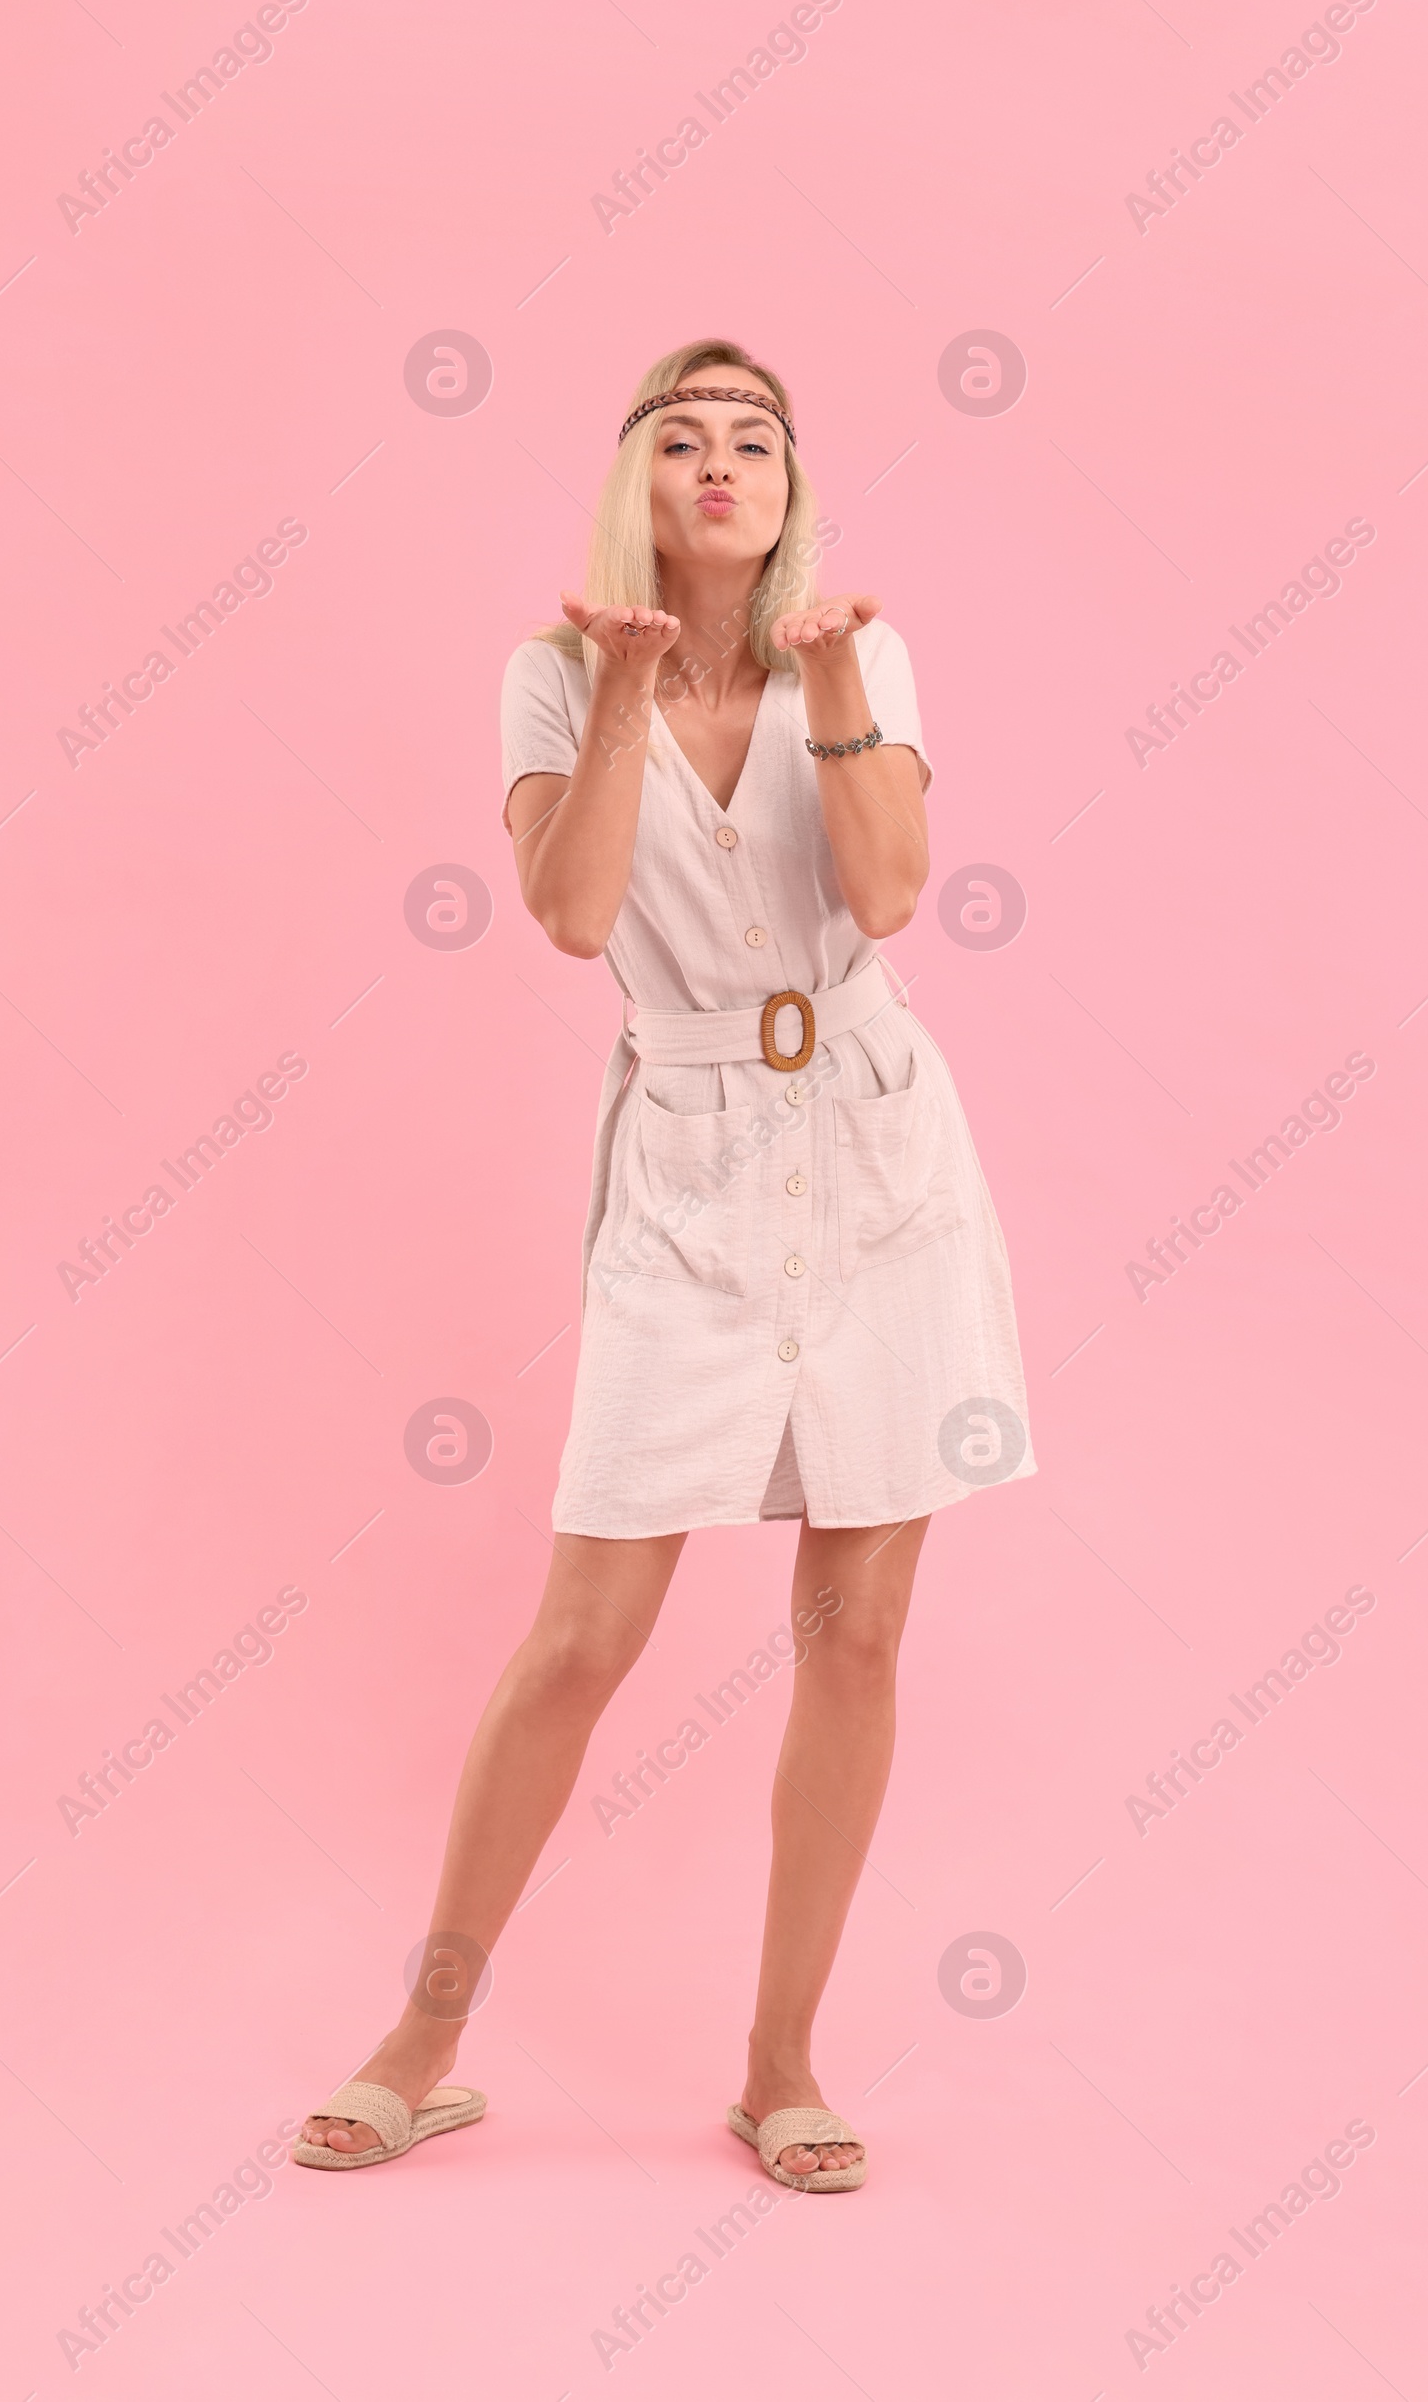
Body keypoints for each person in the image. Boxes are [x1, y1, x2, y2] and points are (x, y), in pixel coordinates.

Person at [296, 338, 1034, 2191]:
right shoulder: (550, 678)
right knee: (582, 1637)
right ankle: (428, 2035)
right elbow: (564, 912)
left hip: (878, 1161)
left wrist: (838, 674)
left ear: (793, 485)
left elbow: (885, 891)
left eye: (758, 437)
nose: (725, 461)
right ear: (637, 480)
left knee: (855, 1633)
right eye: (686, 436)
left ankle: (781, 2060)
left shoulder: (861, 657)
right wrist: (626, 683)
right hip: (691, 1175)